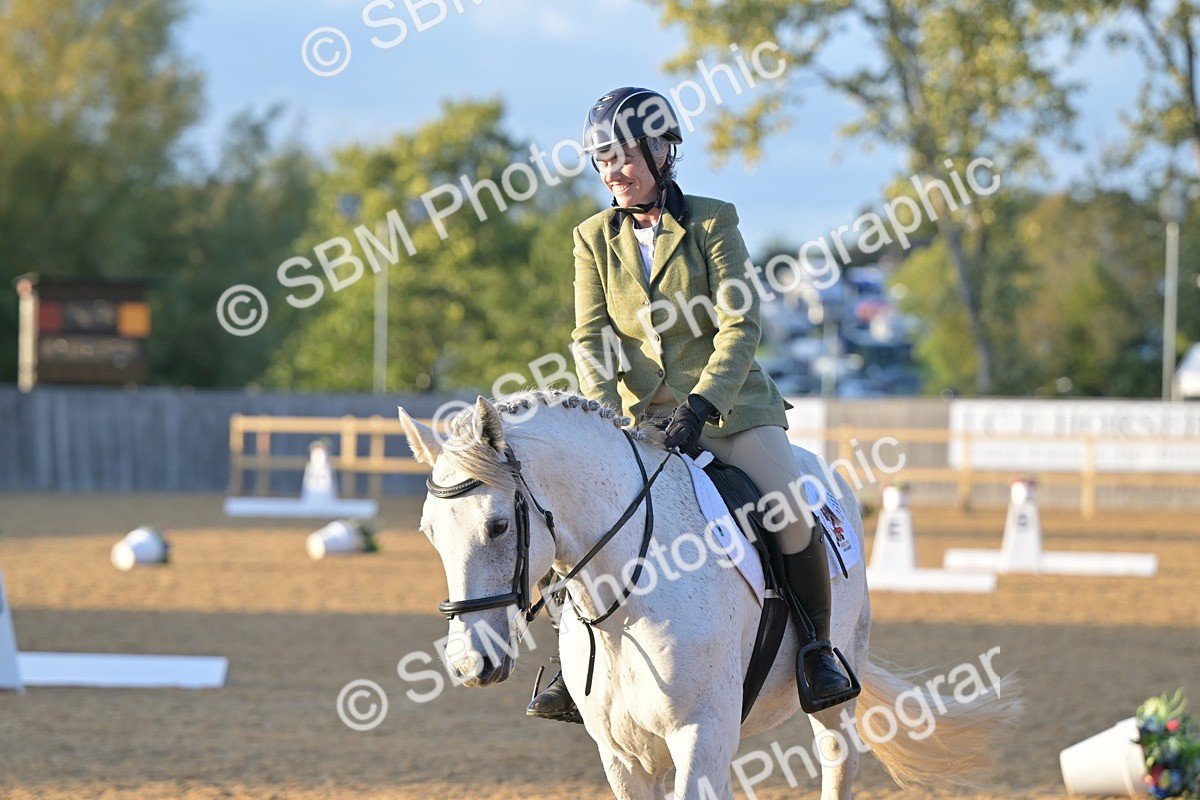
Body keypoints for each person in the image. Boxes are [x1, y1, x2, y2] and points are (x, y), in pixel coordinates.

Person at [527, 87, 858, 723]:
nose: (612, 172)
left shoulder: (712, 221)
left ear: (661, 152)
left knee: (788, 511)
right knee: (578, 519)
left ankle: (818, 650)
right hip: (640, 422)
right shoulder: (591, 237)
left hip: (730, 414)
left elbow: (740, 325)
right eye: (602, 160)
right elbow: (590, 336)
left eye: (623, 157)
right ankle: (578, 670)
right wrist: (605, 419)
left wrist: (703, 403)